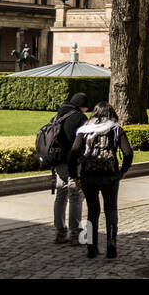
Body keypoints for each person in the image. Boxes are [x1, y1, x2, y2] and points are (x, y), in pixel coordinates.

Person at [67, 102, 133, 259]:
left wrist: (74, 176)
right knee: (111, 210)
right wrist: (122, 171)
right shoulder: (115, 129)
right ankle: (111, 243)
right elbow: (128, 153)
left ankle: (91, 245)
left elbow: (73, 154)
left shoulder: (84, 130)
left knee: (92, 211)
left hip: (88, 175)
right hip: (110, 175)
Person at [49, 92, 90, 245]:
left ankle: (60, 233)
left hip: (58, 161)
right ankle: (75, 235)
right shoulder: (80, 118)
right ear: (82, 106)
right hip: (73, 162)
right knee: (75, 196)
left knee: (60, 195)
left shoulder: (58, 115)